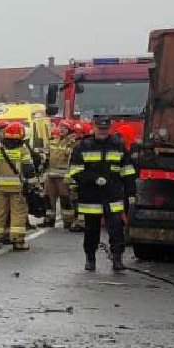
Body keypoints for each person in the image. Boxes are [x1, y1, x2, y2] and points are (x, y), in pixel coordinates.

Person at [68, 116, 136, 272]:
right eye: (100, 129)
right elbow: (75, 171)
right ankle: (90, 259)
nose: (103, 132)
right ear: (94, 128)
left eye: (105, 129)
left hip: (112, 195)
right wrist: (93, 179)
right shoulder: (83, 146)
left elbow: (128, 171)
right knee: (91, 230)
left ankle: (117, 259)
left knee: (116, 230)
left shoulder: (117, 145)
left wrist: (131, 192)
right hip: (91, 196)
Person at [0, 121, 37, 250]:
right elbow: (29, 169)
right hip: (17, 188)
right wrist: (32, 185)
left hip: (0, 188)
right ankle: (17, 240)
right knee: (18, 214)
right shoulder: (23, 150)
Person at [42, 121, 77, 229]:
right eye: (60, 127)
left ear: (69, 130)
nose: (61, 130)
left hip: (64, 176)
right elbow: (47, 155)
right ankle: (49, 220)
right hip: (50, 175)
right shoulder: (54, 140)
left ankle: (68, 221)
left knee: (65, 199)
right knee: (48, 198)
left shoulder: (73, 142)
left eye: (64, 128)